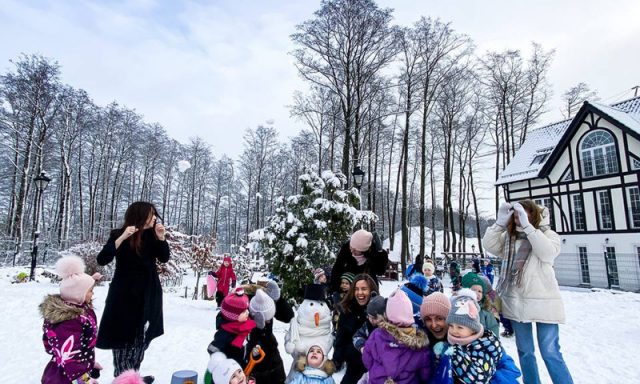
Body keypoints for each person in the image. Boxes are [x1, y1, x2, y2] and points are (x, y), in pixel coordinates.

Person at [483, 200, 573, 384]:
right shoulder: (510, 238)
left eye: (523, 214)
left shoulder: (548, 234)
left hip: (544, 302)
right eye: (515, 215)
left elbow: (547, 253)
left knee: (550, 351)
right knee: (525, 351)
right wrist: (499, 224)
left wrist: (529, 228)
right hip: (516, 302)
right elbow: (489, 245)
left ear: (534, 214)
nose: (518, 219)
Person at [96, 201, 170, 381]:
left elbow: (164, 258)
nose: (154, 218)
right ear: (140, 215)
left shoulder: (152, 236)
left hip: (148, 296)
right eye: (151, 214)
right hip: (124, 298)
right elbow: (102, 259)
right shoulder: (119, 234)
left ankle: (134, 375)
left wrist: (161, 238)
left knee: (141, 341)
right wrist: (121, 238)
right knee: (123, 342)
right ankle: (123, 378)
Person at [40, 256, 102, 384]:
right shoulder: (69, 321)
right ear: (78, 294)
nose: (93, 294)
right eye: (90, 291)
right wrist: (83, 379)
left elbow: (50, 346)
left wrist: (89, 363)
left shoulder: (81, 312)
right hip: (67, 377)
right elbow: (68, 355)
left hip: (73, 369)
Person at [363, 289, 433, 383]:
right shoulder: (420, 347)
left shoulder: (376, 335)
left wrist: (375, 371)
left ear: (388, 314)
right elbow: (425, 375)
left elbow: (367, 358)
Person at [443, 294, 504, 384]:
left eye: (460, 327)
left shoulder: (481, 348)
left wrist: (456, 354)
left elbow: (478, 378)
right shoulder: (456, 343)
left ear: (473, 329)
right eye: (451, 326)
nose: (453, 330)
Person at [333, 274, 379, 384]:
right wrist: (337, 360)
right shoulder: (347, 310)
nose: (360, 293)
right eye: (356, 289)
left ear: (372, 291)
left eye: (364, 289)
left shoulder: (379, 311)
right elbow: (340, 339)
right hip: (354, 365)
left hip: (375, 367)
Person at [329, 230, 388, 294]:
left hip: (367, 291)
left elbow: (380, 271)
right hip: (347, 292)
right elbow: (337, 269)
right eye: (351, 247)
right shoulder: (346, 249)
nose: (352, 251)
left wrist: (380, 253)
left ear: (364, 250)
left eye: (356, 250)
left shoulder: (373, 253)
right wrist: (336, 289)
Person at [246, 289, 286, 384]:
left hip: (269, 349)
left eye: (270, 319)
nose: (269, 321)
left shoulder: (266, 307)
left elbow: (287, 316)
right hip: (257, 359)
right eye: (267, 320)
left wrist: (279, 300)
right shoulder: (249, 322)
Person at [208, 288, 256, 365]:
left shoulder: (246, 325)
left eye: (247, 309)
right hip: (230, 371)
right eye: (243, 311)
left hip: (242, 366)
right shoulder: (224, 334)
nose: (247, 312)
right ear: (234, 316)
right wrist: (221, 363)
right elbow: (212, 349)